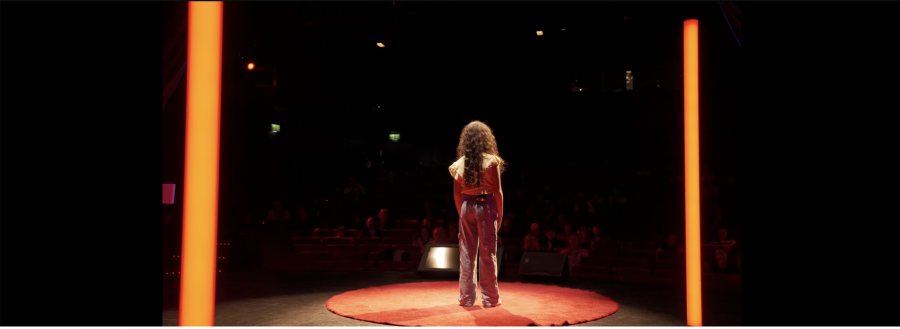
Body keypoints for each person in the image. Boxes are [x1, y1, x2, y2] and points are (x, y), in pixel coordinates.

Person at [449, 120, 506, 308]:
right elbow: (497, 191)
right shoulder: (491, 161)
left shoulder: (458, 164)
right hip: (485, 205)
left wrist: (462, 213)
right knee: (488, 252)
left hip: (466, 206)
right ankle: (490, 299)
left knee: (467, 253)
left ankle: (466, 298)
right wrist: (500, 216)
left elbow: (457, 194)